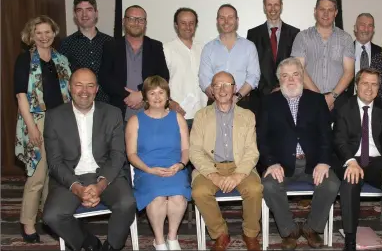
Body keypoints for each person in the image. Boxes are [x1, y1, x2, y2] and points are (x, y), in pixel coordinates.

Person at [42, 68, 136, 251]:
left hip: (106, 175)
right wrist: (77, 188)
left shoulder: (112, 113)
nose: (84, 91)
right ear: (70, 88)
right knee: (52, 216)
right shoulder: (54, 117)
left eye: (90, 86)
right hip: (70, 177)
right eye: (78, 85)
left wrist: (100, 186)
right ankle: (87, 243)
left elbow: (117, 155)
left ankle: (112, 247)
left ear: (97, 89)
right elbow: (54, 162)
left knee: (127, 203)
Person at [258, 57, 340, 250]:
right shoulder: (269, 102)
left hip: (313, 163)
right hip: (281, 164)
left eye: (295, 74)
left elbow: (327, 135)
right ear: (279, 80)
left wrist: (324, 162)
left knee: (332, 184)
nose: (291, 79)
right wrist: (270, 163)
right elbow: (261, 138)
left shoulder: (317, 100)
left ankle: (311, 228)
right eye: (285, 76)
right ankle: (289, 231)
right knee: (268, 185)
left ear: (302, 76)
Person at [14, 15, 72, 243]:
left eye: (48, 32)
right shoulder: (24, 60)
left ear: (54, 33)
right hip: (35, 121)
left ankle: (50, 220)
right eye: (39, 33)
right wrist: (32, 129)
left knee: (54, 176)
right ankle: (27, 222)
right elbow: (21, 96)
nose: (44, 36)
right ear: (31, 35)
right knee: (37, 176)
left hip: (60, 121)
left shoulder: (62, 59)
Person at [190, 71, 262, 251]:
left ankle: (250, 234)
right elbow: (195, 151)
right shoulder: (201, 116)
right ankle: (220, 234)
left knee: (254, 189)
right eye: (217, 85)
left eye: (227, 85)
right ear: (212, 90)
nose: (222, 90)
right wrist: (213, 176)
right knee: (199, 192)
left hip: (240, 166)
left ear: (235, 89)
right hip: (209, 167)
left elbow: (252, 152)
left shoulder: (247, 115)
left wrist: (238, 175)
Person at [333, 68, 382, 251]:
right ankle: (350, 239)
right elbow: (339, 139)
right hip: (352, 158)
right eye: (365, 83)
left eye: (374, 84)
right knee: (350, 179)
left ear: (379, 87)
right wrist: (351, 162)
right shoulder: (343, 106)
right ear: (357, 85)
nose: (369, 88)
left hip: (377, 159)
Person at [125, 76, 191, 250]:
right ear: (145, 98)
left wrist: (181, 165)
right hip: (146, 170)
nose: (157, 96)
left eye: (161, 92)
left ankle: (172, 238)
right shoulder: (135, 121)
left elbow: (186, 150)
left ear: (168, 96)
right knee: (157, 197)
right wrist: (149, 169)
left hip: (175, 168)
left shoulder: (178, 119)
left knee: (178, 196)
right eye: (152, 93)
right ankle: (159, 241)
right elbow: (131, 154)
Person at [99, 5, 171, 121]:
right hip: (119, 112)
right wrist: (128, 96)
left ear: (145, 23)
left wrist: (142, 94)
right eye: (131, 18)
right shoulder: (111, 46)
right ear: (124, 21)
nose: (136, 23)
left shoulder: (155, 46)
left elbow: (163, 76)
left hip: (150, 111)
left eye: (140, 19)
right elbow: (104, 77)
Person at [291, 0, 354, 121]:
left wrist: (332, 97)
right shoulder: (302, 37)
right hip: (308, 100)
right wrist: (320, 99)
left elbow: (349, 72)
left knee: (339, 140)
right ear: (315, 11)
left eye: (330, 10)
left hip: (339, 102)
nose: (326, 14)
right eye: (322, 9)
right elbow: (299, 69)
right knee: (311, 140)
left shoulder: (346, 38)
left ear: (335, 13)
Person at [198, 4, 261, 113]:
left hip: (242, 103)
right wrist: (220, 99)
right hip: (215, 104)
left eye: (230, 17)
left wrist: (236, 98)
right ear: (217, 21)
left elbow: (254, 76)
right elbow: (204, 79)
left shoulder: (249, 46)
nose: (226, 21)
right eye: (222, 18)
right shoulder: (208, 48)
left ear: (237, 20)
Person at [247, 0, 300, 103]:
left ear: (281, 6)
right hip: (260, 97)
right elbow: (251, 66)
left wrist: (282, 88)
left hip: (288, 95)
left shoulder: (295, 33)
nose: (273, 9)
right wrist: (267, 90)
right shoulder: (253, 34)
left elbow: (297, 65)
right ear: (264, 7)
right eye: (269, 5)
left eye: (276, 4)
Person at [59, 0, 114, 103]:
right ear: (75, 14)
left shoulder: (111, 42)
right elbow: (62, 77)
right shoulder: (66, 44)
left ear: (96, 13)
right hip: (79, 103)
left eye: (89, 10)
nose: (84, 14)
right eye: (80, 10)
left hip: (108, 103)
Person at [164, 7, 207, 129]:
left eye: (191, 23)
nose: (188, 27)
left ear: (196, 25)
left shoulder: (204, 48)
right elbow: (160, 82)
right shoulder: (165, 49)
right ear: (176, 25)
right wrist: (169, 102)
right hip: (177, 114)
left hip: (202, 115)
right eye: (183, 23)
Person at [347, 13, 382, 96]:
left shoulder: (381, 53)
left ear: (373, 29)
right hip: (349, 102)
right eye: (362, 25)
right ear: (355, 28)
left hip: (374, 103)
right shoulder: (345, 51)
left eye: (370, 26)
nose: (366, 29)